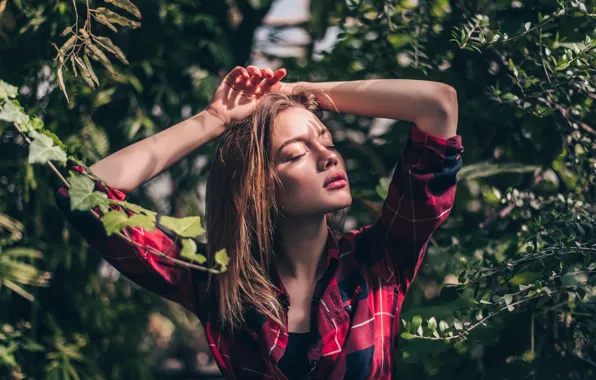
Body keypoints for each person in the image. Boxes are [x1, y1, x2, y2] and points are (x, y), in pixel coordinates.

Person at [55, 65, 464, 379]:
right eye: (294, 153)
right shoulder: (217, 278)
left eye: (326, 140)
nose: (328, 156)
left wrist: (296, 93)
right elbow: (83, 195)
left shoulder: (379, 260)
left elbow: (438, 104)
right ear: (257, 186)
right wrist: (214, 119)